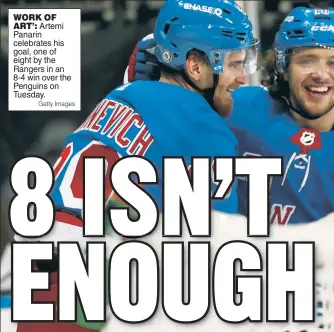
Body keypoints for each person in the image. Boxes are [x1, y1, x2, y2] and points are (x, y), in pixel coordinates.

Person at [12, 0, 260, 330]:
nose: (243, 77)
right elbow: (222, 256)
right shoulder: (204, 128)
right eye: (234, 64)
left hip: (36, 286)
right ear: (197, 67)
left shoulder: (120, 95)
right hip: (88, 302)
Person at [126, 6, 334, 225]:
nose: (321, 74)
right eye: (307, 61)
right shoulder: (237, 107)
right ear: (282, 66)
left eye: (333, 63)